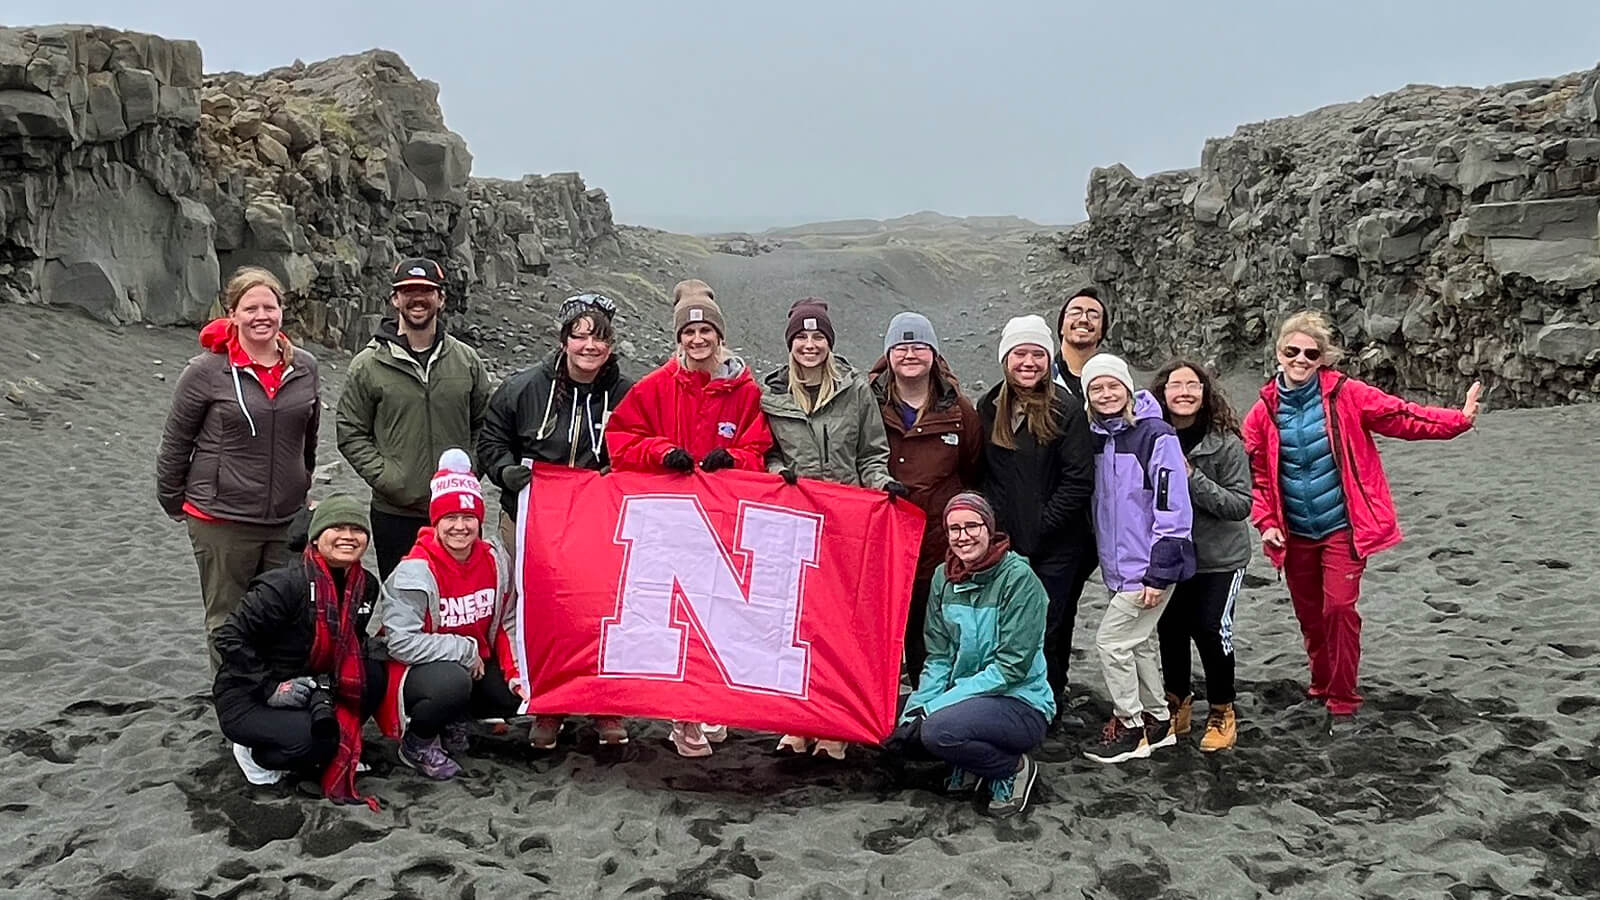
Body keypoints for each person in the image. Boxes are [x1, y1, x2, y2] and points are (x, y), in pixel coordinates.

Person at [1242, 311, 1480, 734]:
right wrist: (1266, 522)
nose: (1300, 358)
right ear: (1278, 353)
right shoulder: (1262, 413)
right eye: (1291, 350)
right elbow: (1257, 476)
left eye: (1310, 353)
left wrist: (1458, 421)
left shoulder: (1347, 395)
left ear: (1323, 359)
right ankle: (1321, 683)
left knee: (1338, 610)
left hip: (1343, 528)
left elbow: (1403, 416)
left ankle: (1343, 699)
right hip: (1293, 534)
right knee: (1311, 616)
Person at [605, 279, 774, 757]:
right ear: (678, 339)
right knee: (677, 619)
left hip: (722, 526)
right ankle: (684, 717)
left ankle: (713, 703)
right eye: (689, 333)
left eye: (706, 332)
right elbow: (622, 441)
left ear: (721, 338)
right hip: (670, 525)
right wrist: (662, 453)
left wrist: (733, 459)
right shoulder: (655, 388)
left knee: (720, 616)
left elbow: (759, 448)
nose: (698, 340)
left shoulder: (744, 392)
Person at [477, 292, 635, 749]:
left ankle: (606, 703)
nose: (589, 345)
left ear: (610, 343)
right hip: (530, 518)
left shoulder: (627, 394)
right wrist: (504, 471)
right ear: (564, 339)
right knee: (539, 610)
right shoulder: (523, 388)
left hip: (599, 523)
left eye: (599, 336)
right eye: (580, 335)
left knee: (600, 611)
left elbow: (644, 444)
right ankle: (549, 703)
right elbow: (491, 439)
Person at [761, 298, 906, 760]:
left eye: (818, 337)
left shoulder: (855, 389)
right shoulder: (770, 396)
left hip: (847, 524)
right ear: (790, 343)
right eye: (801, 338)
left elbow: (870, 453)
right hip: (794, 526)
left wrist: (883, 485)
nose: (809, 345)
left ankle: (835, 727)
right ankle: (796, 722)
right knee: (795, 627)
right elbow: (764, 452)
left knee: (840, 628)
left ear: (829, 343)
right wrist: (777, 471)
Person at [158, 266, 321, 672]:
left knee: (283, 615)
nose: (261, 315)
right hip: (221, 518)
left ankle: (273, 699)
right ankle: (234, 708)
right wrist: (174, 500)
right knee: (227, 620)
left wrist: (302, 486)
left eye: (270, 306)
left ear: (282, 311)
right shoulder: (205, 371)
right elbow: (176, 442)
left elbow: (309, 438)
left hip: (285, 519)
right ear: (232, 313)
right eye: (251, 307)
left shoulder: (305, 367)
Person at [212, 495, 385, 806]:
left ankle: (329, 745)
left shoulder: (366, 586)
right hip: (251, 692)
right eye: (337, 527)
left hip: (313, 682)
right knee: (314, 741)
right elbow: (229, 638)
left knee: (372, 669)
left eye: (357, 530)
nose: (348, 536)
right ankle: (252, 750)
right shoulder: (283, 585)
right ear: (317, 537)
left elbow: (351, 643)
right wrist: (270, 687)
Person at [893, 492, 1052, 818]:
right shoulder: (942, 577)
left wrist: (933, 709)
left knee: (937, 731)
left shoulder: (1019, 579)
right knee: (891, 725)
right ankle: (967, 762)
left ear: (989, 528)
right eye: (954, 529)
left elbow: (1011, 669)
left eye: (972, 526)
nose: (963, 536)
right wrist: (916, 707)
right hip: (963, 698)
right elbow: (938, 656)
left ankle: (1011, 768)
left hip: (1019, 700)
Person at [371, 450, 521, 780]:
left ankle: (455, 718)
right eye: (449, 518)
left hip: (471, 664)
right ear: (435, 522)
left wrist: (515, 672)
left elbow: (506, 620)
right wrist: (464, 649)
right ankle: (417, 742)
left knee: (512, 694)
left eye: (468, 518)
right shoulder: (414, 571)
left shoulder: (496, 561)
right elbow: (400, 643)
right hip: (414, 672)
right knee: (452, 682)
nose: (460, 526)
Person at [336, 258, 491, 578]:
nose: (417, 298)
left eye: (426, 291)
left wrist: (470, 471)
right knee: (401, 602)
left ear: (441, 298)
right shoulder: (368, 364)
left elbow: (486, 424)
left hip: (456, 514)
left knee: (457, 599)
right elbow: (350, 431)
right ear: (395, 299)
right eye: (408, 291)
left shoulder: (466, 361)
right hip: (395, 511)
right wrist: (388, 478)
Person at [976, 315, 1095, 724]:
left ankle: (1048, 700)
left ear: (1049, 359)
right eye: (1019, 354)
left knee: (1051, 624)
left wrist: (1039, 530)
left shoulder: (1067, 409)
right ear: (1005, 358)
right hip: (1006, 542)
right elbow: (988, 475)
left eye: (1037, 354)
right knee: (1007, 623)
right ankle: (1011, 698)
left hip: (1059, 543)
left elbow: (1078, 481)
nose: (1028, 362)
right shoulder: (989, 407)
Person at [1079, 354, 1196, 765]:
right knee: (1140, 643)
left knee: (1110, 644)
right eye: (1097, 388)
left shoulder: (1155, 436)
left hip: (1148, 568)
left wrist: (1159, 572)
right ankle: (1159, 722)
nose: (1107, 394)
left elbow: (1173, 510)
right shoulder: (1099, 438)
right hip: (1117, 566)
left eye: (1114, 385)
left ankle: (1129, 724)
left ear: (1128, 389)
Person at [868, 311, 981, 685]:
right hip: (881, 539)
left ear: (933, 353)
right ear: (888, 354)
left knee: (928, 633)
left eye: (919, 345)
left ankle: (924, 708)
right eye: (901, 346)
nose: (910, 354)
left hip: (935, 544)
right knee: (877, 633)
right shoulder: (866, 404)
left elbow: (972, 470)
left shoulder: (959, 410)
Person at [1151, 359, 1251, 751]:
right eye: (1176, 385)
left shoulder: (1224, 442)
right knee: (1171, 630)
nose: (1185, 392)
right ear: (1163, 393)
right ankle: (1179, 704)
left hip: (1219, 558)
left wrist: (1192, 477)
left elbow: (1239, 505)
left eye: (1193, 385)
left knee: (1211, 629)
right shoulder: (1153, 438)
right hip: (1173, 557)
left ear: (1206, 393)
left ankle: (1223, 710)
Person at [1053, 286, 1110, 402]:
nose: (1084, 319)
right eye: (1075, 313)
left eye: (1093, 316)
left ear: (1101, 332)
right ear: (1061, 328)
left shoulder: (1112, 384)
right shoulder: (1042, 378)